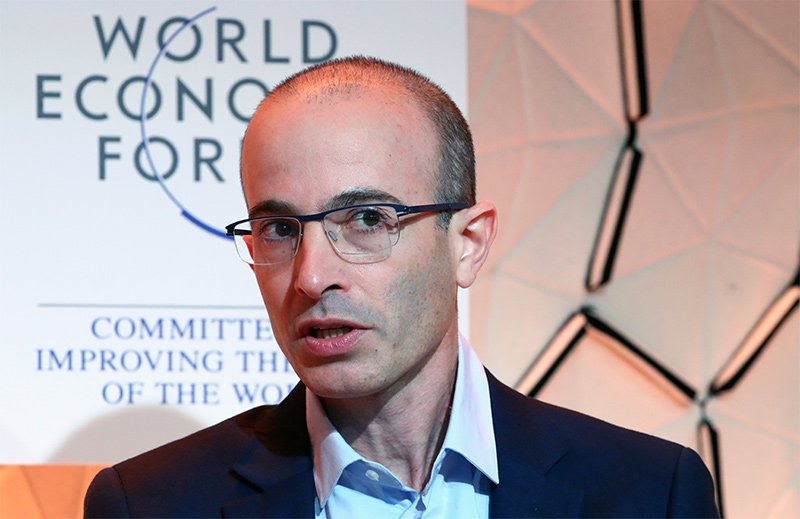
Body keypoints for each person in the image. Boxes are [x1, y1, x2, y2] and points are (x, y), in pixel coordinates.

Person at [84, 56, 719, 518]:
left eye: (366, 220)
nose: (310, 276)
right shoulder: (149, 504)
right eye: (279, 228)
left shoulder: (649, 492)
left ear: (466, 244)